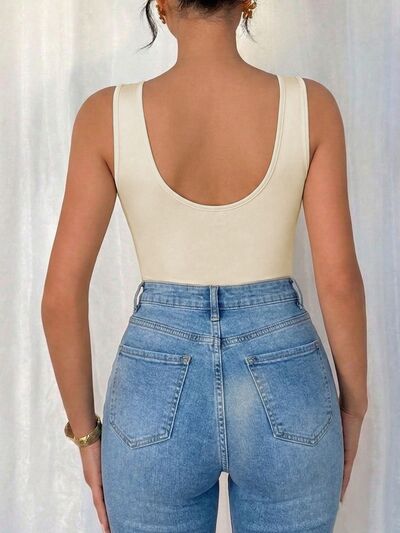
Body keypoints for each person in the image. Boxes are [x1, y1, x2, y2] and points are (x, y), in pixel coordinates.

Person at [41, 1, 368, 532]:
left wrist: (86, 435)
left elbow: (60, 297)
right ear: (247, 2)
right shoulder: (311, 105)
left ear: (162, 5)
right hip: (287, 377)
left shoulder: (105, 116)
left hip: (153, 387)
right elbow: (339, 283)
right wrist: (353, 408)